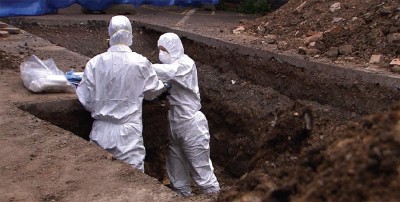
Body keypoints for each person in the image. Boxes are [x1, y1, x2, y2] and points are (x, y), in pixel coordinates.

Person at [76, 15, 167, 173]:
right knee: (132, 182)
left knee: (99, 180)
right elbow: (153, 92)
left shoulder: (95, 63)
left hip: (100, 131)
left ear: (110, 34)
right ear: (130, 34)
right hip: (128, 135)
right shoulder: (140, 62)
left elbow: (86, 100)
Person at [151, 32, 220, 196]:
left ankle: (215, 197)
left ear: (173, 48)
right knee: (177, 176)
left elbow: (168, 72)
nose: (161, 53)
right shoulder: (167, 70)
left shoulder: (185, 64)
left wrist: (137, 65)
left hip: (191, 123)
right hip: (173, 123)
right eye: (159, 49)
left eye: (164, 49)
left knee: (202, 173)